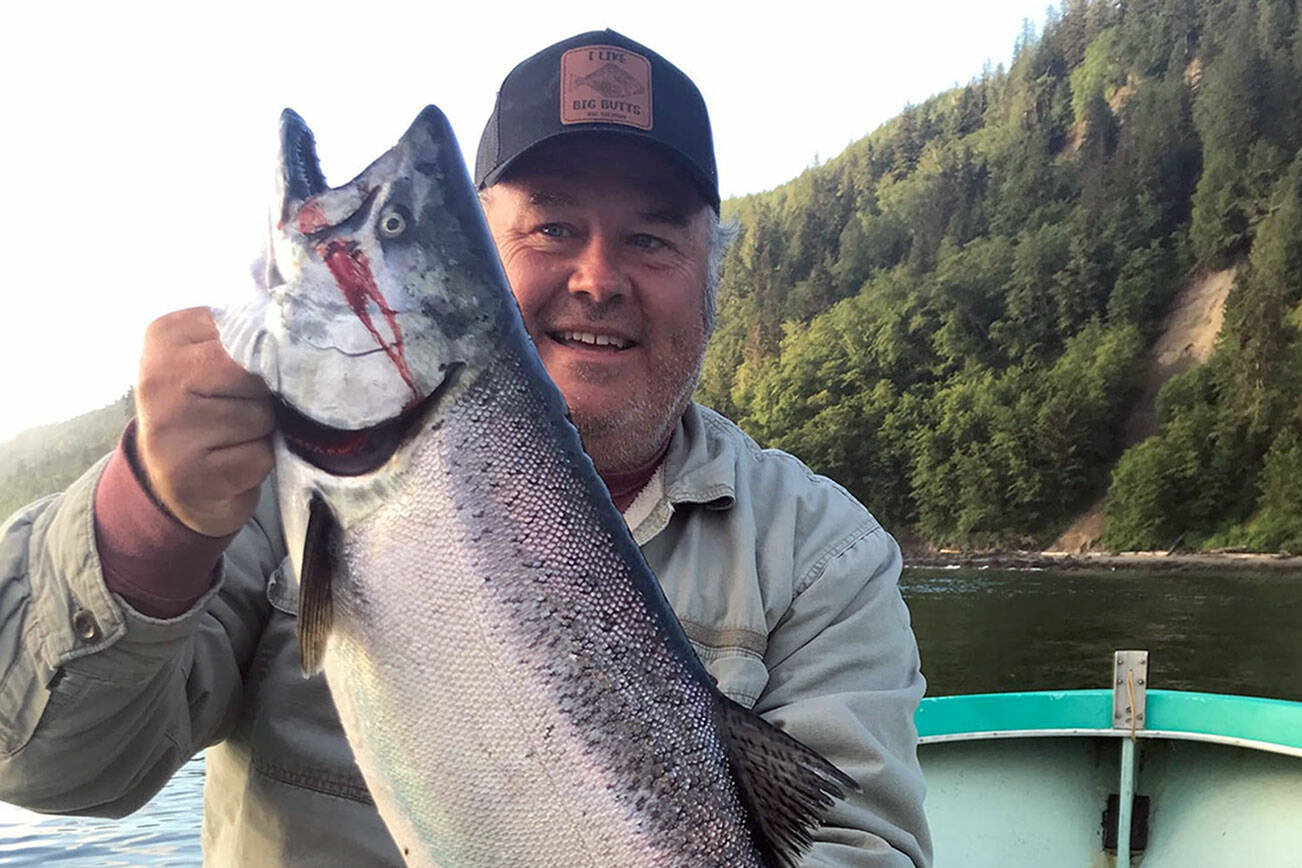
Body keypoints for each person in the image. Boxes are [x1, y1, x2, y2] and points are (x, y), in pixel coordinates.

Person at [0, 30, 931, 867]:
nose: (598, 278)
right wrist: (150, 521)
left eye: (650, 239)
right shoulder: (233, 484)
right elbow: (49, 770)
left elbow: (866, 849)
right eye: (553, 226)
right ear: (485, 256)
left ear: (711, 275)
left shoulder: (824, 554)